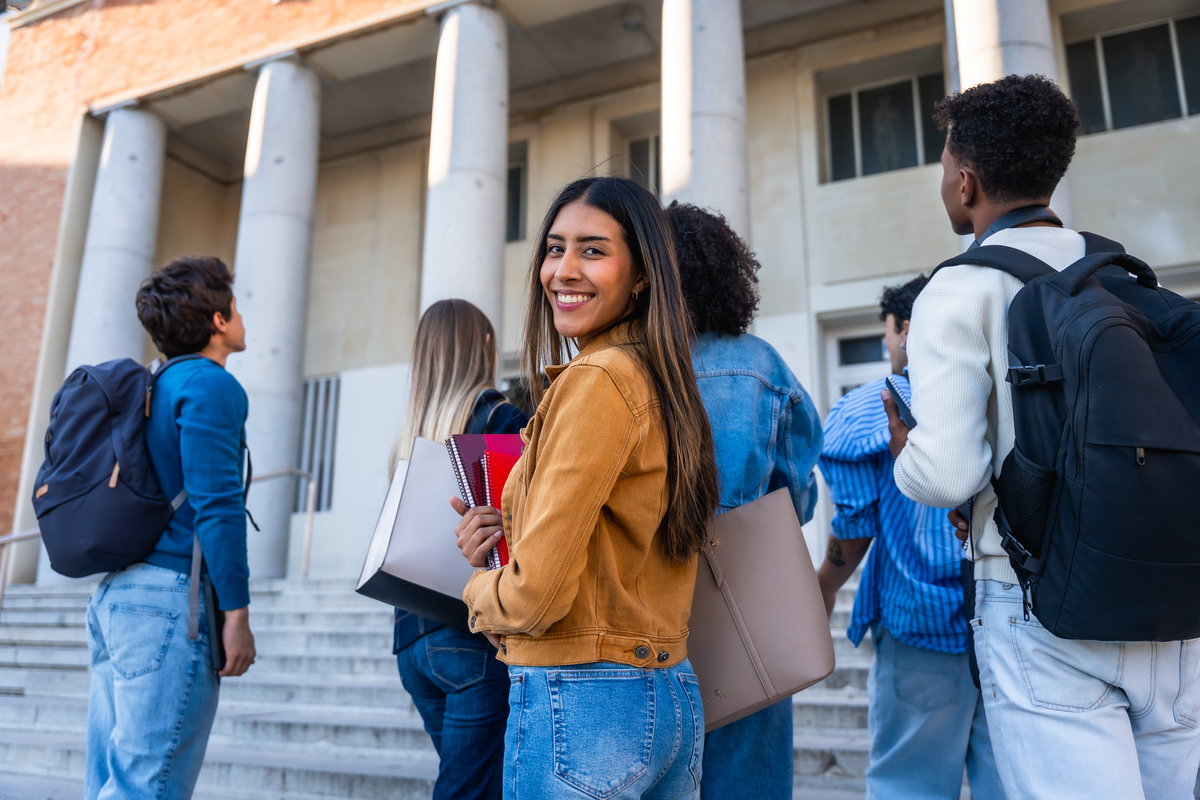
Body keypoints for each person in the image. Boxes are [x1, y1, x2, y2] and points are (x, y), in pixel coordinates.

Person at [886, 74, 1200, 798]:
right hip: (1170, 604)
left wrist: (907, 453)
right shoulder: (1120, 276)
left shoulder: (960, 289)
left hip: (1042, 608)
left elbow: (947, 476)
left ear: (965, 184)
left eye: (942, 168)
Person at [454, 176, 719, 799]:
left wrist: (477, 591)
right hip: (667, 693)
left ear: (643, 273)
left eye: (593, 250)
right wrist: (508, 531)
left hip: (585, 700)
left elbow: (535, 598)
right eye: (554, 248)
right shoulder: (659, 375)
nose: (563, 270)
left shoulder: (599, 379)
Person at [817, 276, 1004, 800]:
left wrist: (824, 585)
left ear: (903, 330)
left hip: (920, 624)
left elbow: (853, 528)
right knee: (1008, 782)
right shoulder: (999, 392)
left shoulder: (866, 410)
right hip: (1009, 619)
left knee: (910, 784)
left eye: (886, 333)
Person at [666, 201, 822, 799]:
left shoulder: (624, 365)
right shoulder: (761, 366)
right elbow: (795, 499)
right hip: (742, 608)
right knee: (746, 775)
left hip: (641, 608)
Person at [86, 256, 255, 799]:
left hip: (118, 598)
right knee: (147, 789)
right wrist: (237, 614)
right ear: (218, 320)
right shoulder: (210, 385)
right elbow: (218, 505)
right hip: (166, 606)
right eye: (234, 303)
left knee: (112, 783)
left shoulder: (156, 384)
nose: (240, 312)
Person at [388, 299, 527, 800]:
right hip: (471, 638)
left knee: (473, 785)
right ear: (486, 346)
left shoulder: (408, 437)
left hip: (412, 644)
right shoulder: (502, 418)